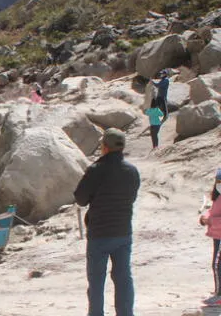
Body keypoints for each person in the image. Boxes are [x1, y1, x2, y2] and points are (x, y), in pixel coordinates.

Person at [74, 128, 141, 316]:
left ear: (104, 147)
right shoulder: (132, 171)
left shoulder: (96, 170)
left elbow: (80, 198)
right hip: (123, 232)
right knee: (123, 278)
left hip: (99, 234)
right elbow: (132, 197)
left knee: (96, 281)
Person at [199, 169, 221, 306]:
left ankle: (219, 296)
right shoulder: (218, 197)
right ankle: (218, 292)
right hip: (217, 235)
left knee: (217, 265)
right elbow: (213, 212)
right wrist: (205, 218)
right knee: (216, 265)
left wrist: (210, 221)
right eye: (218, 181)